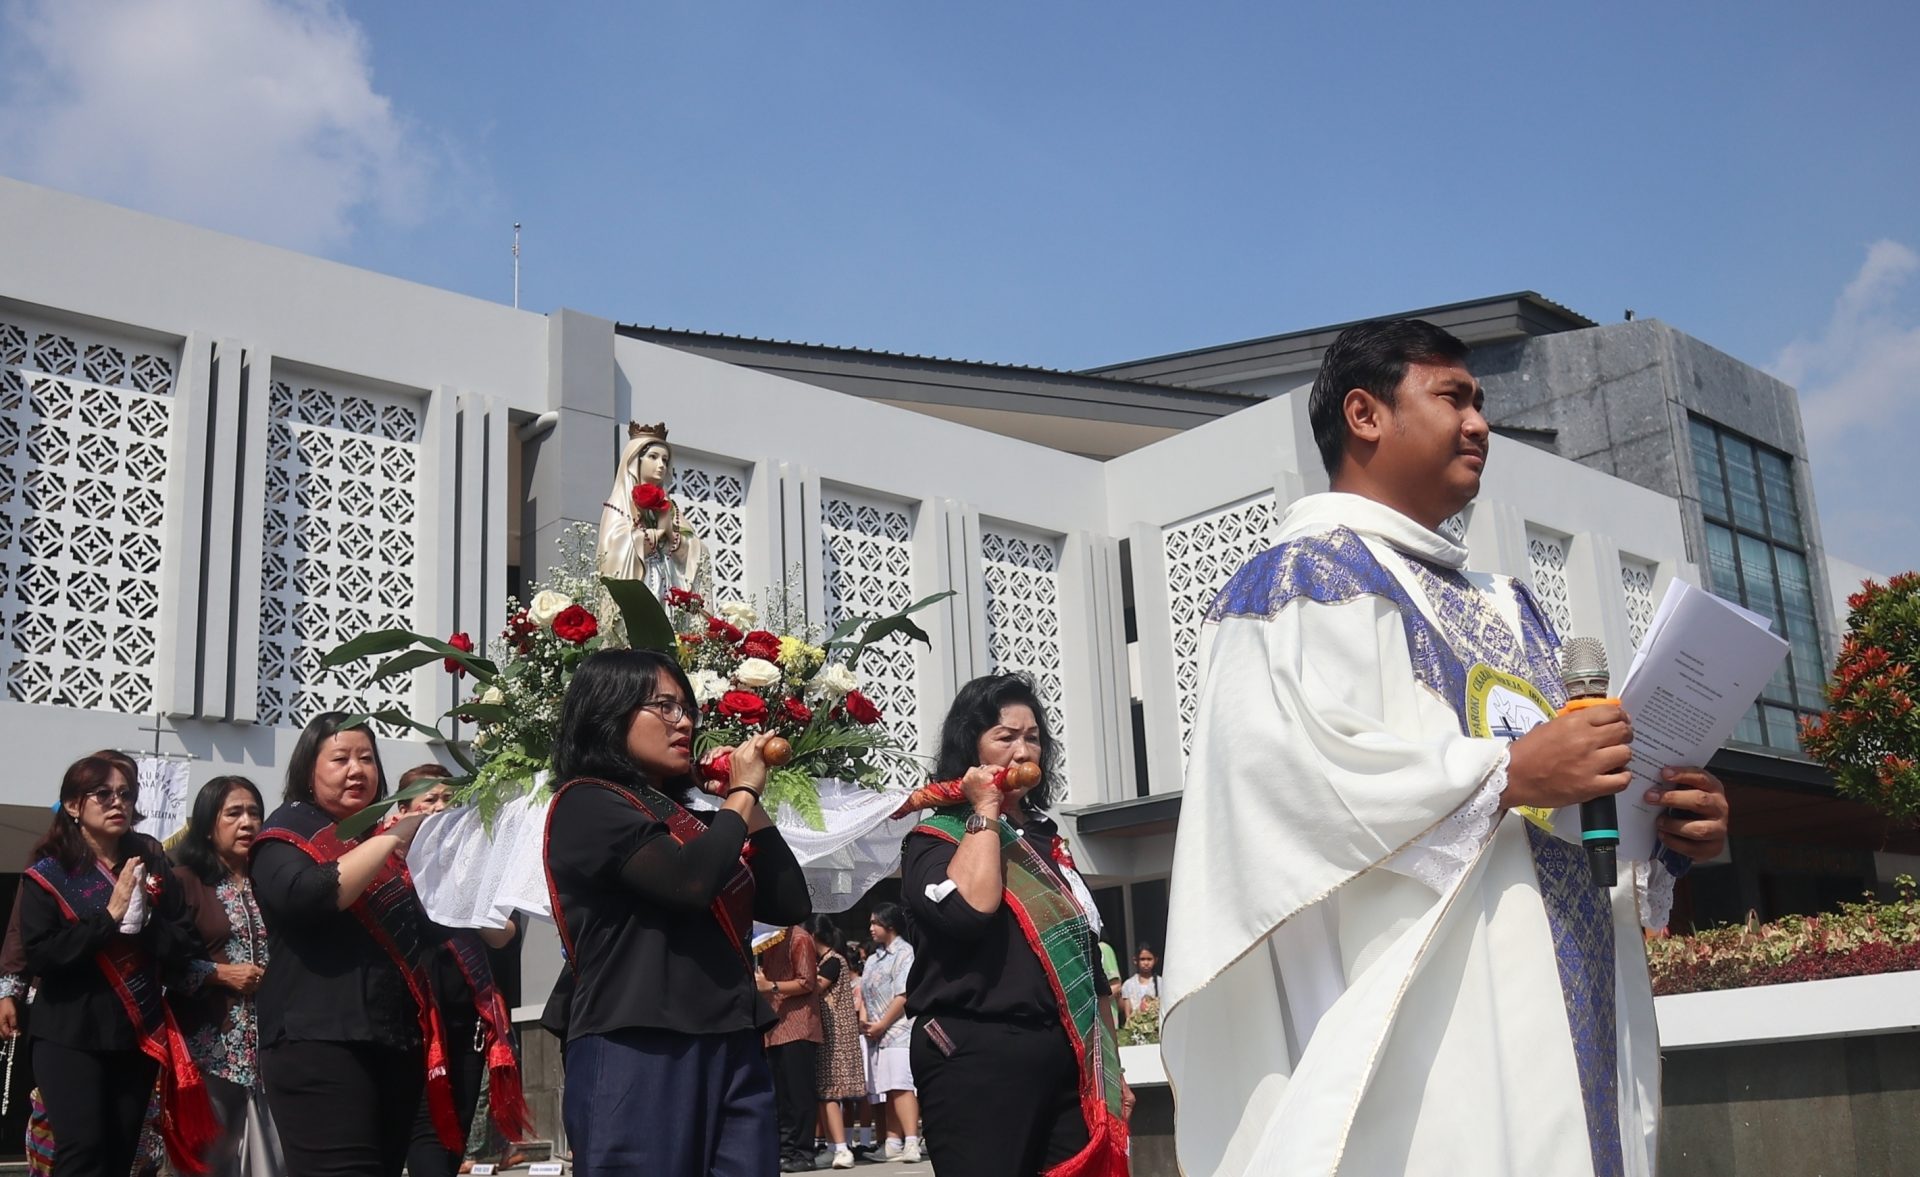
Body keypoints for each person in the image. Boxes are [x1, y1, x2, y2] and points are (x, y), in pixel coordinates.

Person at [1160, 318, 1734, 1176]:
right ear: (1365, 414)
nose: (1480, 423)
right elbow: (1299, 785)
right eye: (1453, 397)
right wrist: (1509, 773)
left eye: (1481, 402)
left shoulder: (1507, 602)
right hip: (1433, 1034)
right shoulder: (1302, 580)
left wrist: (1662, 823)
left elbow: (1562, 806)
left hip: (1569, 992)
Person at [542, 648, 811, 1176]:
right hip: (639, 1040)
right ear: (608, 711)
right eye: (663, 707)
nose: (684, 721)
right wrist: (741, 791)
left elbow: (790, 903)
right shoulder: (588, 803)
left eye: (687, 707)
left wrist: (745, 803)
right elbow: (689, 881)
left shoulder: (697, 815)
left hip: (731, 1038)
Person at [900, 674, 1131, 1176]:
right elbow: (967, 911)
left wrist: (1114, 1070)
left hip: (1064, 1054)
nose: (1022, 751)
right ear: (971, 746)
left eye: (1032, 738)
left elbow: (1089, 966)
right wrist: (985, 808)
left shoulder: (1050, 840)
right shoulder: (935, 837)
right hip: (974, 1052)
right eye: (1005, 737)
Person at [252, 714, 455, 1177]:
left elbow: (436, 929)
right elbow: (311, 895)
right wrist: (392, 838)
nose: (357, 770)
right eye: (340, 759)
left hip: (392, 1043)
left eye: (366, 758)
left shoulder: (382, 844)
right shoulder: (287, 834)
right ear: (309, 770)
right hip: (318, 1042)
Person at [20, 750, 216, 1177]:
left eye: (126, 794)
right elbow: (42, 954)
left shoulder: (150, 861)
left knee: (121, 1152)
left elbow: (184, 941)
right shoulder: (49, 873)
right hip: (68, 1032)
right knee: (82, 1151)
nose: (117, 803)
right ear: (74, 805)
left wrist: (144, 923)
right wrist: (108, 918)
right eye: (103, 793)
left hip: (134, 1034)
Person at [389, 766, 529, 1177]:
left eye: (446, 800)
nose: (437, 808)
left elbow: (504, 935)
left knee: (453, 1135)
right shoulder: (384, 862)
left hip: (464, 1019)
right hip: (408, 1021)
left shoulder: (477, 861)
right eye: (427, 801)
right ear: (404, 809)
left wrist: (461, 890)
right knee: (420, 1132)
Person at [171, 775, 282, 1177]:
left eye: (254, 813)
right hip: (209, 1049)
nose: (247, 823)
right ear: (207, 823)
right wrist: (218, 973)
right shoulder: (184, 882)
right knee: (211, 1161)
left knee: (274, 1159)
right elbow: (164, 962)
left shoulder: (270, 881)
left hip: (272, 1047)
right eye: (233, 813)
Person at [595, 420, 712, 601]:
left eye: (665, 460)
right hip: (639, 589)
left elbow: (699, 550)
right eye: (653, 457)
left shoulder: (669, 507)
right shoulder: (619, 503)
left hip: (665, 586)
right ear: (635, 460)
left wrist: (672, 535)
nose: (661, 465)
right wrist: (653, 535)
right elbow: (613, 551)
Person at [857, 903, 922, 1164]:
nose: (871, 928)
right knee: (887, 1088)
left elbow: (903, 994)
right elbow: (863, 992)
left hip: (899, 1030)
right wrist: (866, 1022)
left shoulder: (905, 953)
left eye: (875, 923)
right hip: (877, 1033)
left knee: (901, 1086)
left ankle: (911, 1141)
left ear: (890, 925)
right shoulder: (874, 958)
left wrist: (883, 1023)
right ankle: (892, 1142)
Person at [759, 922, 823, 1172]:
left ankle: (803, 1151)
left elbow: (807, 982)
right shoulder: (767, 940)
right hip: (775, 1027)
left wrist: (771, 985)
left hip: (798, 1027)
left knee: (800, 1095)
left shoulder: (799, 938)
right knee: (781, 1096)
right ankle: (785, 1149)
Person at [807, 916, 864, 1170]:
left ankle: (842, 1148)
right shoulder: (827, 961)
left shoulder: (833, 962)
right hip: (828, 1034)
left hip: (836, 1035)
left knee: (831, 1091)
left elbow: (813, 987)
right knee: (824, 1091)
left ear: (813, 936)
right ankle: (832, 1146)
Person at [1118, 944, 1159, 1022]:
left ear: (1155, 960)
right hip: (1135, 1027)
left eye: (1149, 959)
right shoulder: (1128, 984)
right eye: (1142, 959)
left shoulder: (1160, 983)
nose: (1146, 963)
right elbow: (1128, 1013)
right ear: (1135, 960)